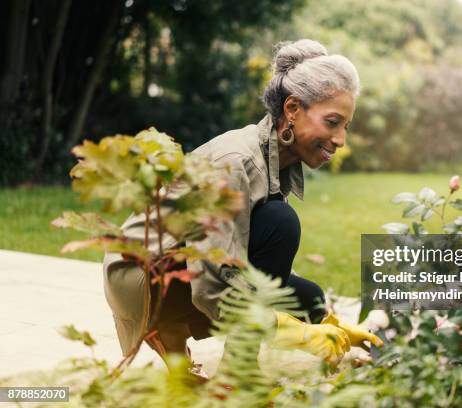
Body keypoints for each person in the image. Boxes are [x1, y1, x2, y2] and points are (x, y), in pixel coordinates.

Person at [102, 39, 382, 376]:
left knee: (309, 298)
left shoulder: (276, 160)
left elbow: (249, 257)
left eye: (345, 127)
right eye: (333, 122)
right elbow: (212, 285)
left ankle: (174, 330)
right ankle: (228, 370)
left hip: (179, 265)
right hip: (140, 276)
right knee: (281, 222)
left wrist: (329, 325)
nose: (340, 140)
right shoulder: (236, 162)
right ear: (292, 109)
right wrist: (301, 334)